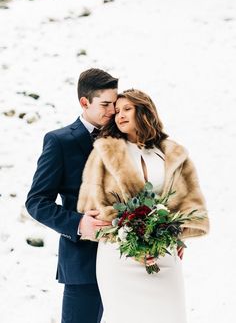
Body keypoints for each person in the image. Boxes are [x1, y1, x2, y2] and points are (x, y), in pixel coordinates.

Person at [77, 89, 209, 323]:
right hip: (119, 257)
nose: (120, 115)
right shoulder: (104, 152)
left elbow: (190, 205)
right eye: (117, 111)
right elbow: (94, 206)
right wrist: (131, 237)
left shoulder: (172, 153)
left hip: (164, 257)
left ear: (144, 110)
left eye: (127, 109)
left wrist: (176, 234)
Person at [25, 68, 118, 323]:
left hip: (127, 261)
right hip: (83, 264)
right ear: (84, 102)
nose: (112, 111)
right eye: (105, 104)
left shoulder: (127, 138)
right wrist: (78, 223)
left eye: (115, 103)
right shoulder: (59, 141)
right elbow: (36, 202)